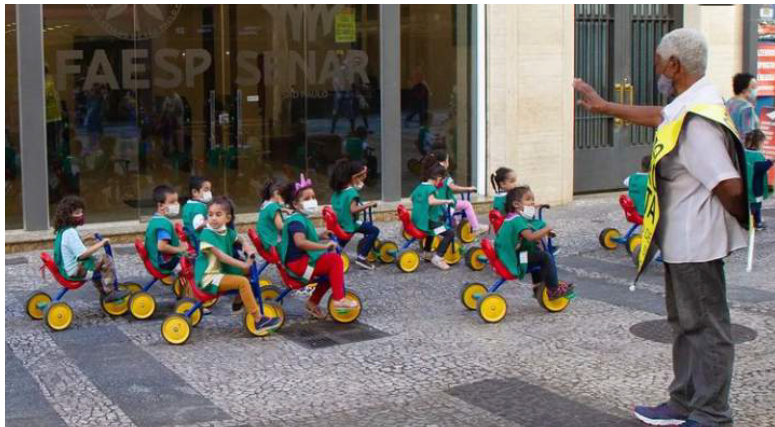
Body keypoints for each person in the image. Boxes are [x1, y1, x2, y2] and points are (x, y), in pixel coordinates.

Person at [575, 28, 749, 427]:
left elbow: (729, 186)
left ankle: (711, 414)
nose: (655, 69)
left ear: (675, 65)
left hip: (696, 245)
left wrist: (739, 219)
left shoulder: (697, 120)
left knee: (706, 329)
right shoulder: (690, 103)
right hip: (682, 242)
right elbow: (659, 116)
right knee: (686, 324)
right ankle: (683, 403)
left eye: (657, 62)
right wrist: (604, 107)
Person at [194, 196, 281, 334]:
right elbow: (222, 257)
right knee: (242, 282)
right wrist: (243, 264)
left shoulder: (225, 231)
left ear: (227, 219)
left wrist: (247, 247)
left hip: (220, 272)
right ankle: (259, 319)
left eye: (218, 214)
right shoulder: (207, 234)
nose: (213, 218)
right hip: (209, 277)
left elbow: (239, 239)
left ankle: (238, 300)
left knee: (248, 274)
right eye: (210, 215)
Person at [279, 175, 359, 319]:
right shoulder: (296, 221)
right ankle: (339, 299)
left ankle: (312, 303)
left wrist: (321, 236)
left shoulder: (298, 218)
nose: (312, 201)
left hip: (300, 263)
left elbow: (303, 238)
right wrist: (324, 247)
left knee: (330, 274)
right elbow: (300, 242)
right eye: (307, 199)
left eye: (313, 197)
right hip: (299, 266)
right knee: (335, 260)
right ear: (296, 204)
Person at [495, 186, 573, 300]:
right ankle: (554, 290)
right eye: (528, 199)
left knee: (535, 253)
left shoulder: (512, 218)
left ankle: (538, 288)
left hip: (511, 255)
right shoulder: (517, 220)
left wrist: (543, 232)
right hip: (515, 259)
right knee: (545, 257)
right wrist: (547, 228)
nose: (532, 202)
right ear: (516, 204)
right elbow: (530, 237)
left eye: (533, 199)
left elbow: (528, 231)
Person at [52, 196, 129, 302]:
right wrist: (101, 243)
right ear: (67, 216)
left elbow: (72, 245)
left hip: (69, 268)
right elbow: (83, 254)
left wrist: (86, 237)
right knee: (107, 260)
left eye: (81, 212)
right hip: (76, 272)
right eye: (77, 213)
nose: (81, 215)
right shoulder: (70, 232)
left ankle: (103, 291)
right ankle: (110, 292)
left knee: (97, 261)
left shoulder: (64, 230)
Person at [423, 146, 489, 237]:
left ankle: (456, 223)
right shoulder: (445, 175)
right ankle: (475, 228)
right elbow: (454, 188)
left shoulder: (429, 175)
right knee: (466, 204)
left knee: (456, 204)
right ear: (444, 162)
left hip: (435, 206)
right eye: (448, 160)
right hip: (445, 205)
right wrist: (468, 188)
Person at [330, 159, 380, 270]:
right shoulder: (352, 193)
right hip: (350, 224)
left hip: (340, 223)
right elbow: (353, 210)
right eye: (362, 177)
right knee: (374, 230)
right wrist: (368, 205)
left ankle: (334, 253)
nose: (363, 179)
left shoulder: (337, 192)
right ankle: (362, 257)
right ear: (354, 178)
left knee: (341, 243)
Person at [410, 162, 456, 270]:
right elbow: (431, 201)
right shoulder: (431, 188)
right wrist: (446, 200)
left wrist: (421, 207)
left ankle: (426, 252)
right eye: (441, 180)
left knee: (435, 230)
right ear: (438, 178)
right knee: (450, 232)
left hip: (417, 221)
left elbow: (412, 198)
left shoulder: (420, 187)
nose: (440, 183)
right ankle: (438, 257)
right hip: (428, 222)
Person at [144, 185, 189, 276]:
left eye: (177, 201)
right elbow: (162, 247)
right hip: (164, 264)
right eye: (172, 202)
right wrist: (180, 249)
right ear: (161, 205)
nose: (177, 204)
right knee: (191, 261)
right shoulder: (162, 225)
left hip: (157, 261)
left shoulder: (156, 220)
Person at [744, 129, 773, 230]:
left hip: (744, 184)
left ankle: (750, 221)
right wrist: (770, 162)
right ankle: (757, 223)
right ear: (758, 143)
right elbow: (761, 168)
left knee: (746, 204)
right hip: (756, 186)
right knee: (756, 206)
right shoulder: (758, 155)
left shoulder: (743, 153)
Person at [255, 179, 287, 251]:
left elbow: (269, 211)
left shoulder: (265, 204)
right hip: (273, 243)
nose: (285, 199)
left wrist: (284, 209)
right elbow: (280, 226)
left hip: (265, 239)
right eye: (284, 196)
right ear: (276, 193)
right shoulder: (274, 207)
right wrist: (290, 223)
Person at [725, 72, 759, 139]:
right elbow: (748, 136)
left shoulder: (729, 102)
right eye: (753, 87)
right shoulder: (746, 108)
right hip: (740, 147)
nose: (756, 90)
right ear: (744, 89)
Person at [181, 176, 212, 242]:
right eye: (206, 190)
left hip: (191, 241)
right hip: (201, 242)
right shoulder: (199, 206)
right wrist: (214, 221)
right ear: (195, 192)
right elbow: (198, 224)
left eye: (210, 190)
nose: (209, 193)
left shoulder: (187, 205)